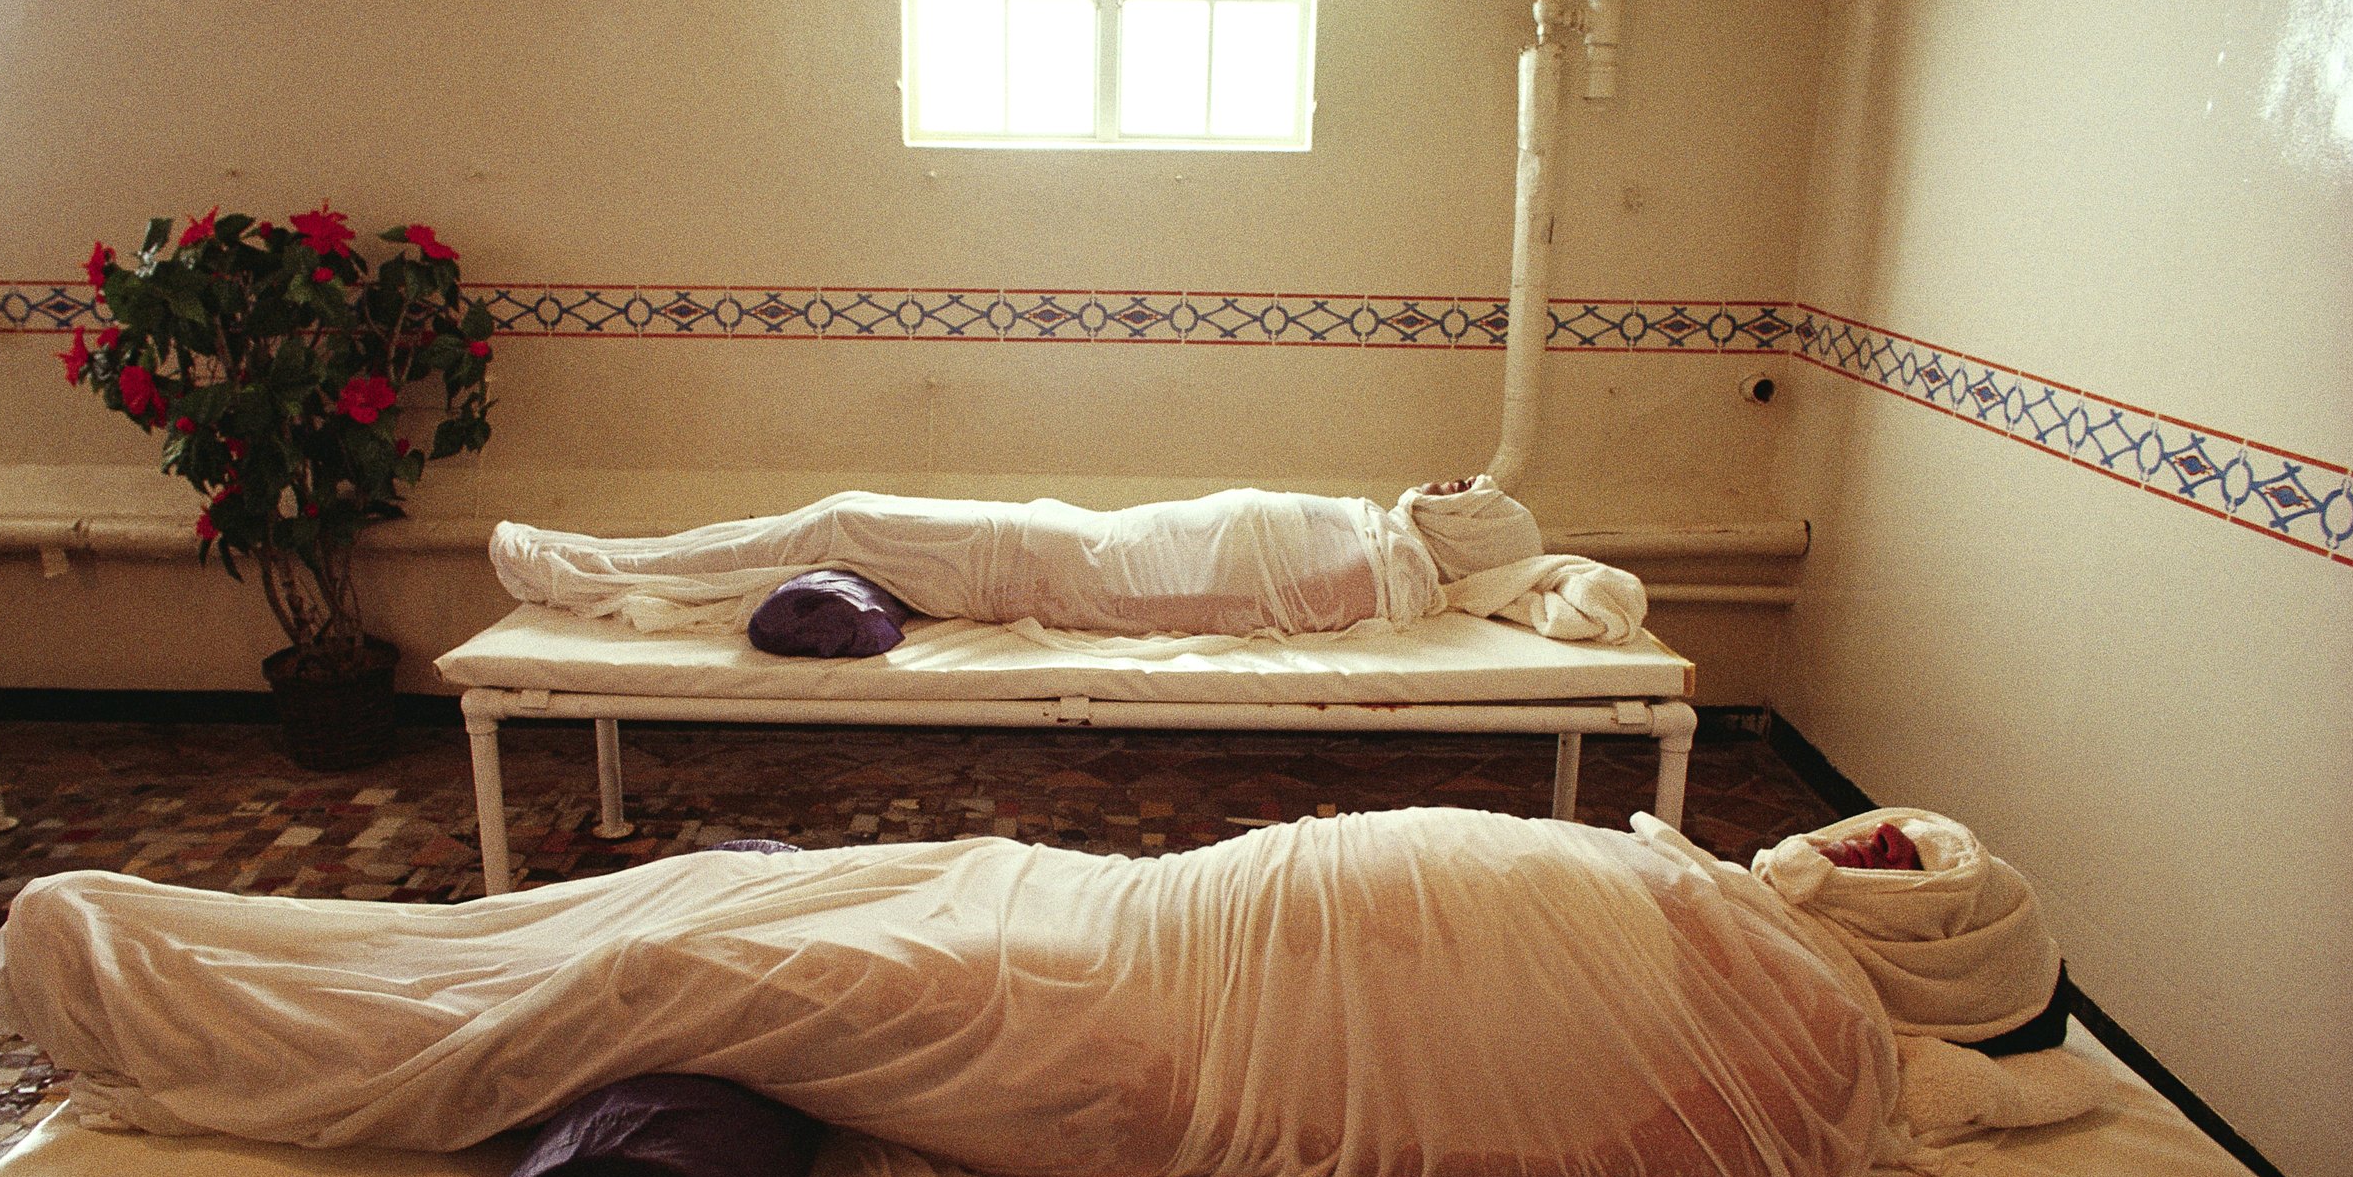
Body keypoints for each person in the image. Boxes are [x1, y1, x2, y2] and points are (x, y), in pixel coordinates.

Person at [0, 804, 2089, 1177]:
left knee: (660, 983)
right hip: (1090, 903)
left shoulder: (1801, 1060)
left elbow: (1546, 1159)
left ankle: (208, 1026)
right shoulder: (1713, 891)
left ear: (1937, 962)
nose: (1861, 827)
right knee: (686, 888)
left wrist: (1247, 1132)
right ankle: (167, 931)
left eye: (1906, 855)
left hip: (1121, 1041)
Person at [487, 474, 1649, 643]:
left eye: (1457, 493)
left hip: (1039, 559)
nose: (1438, 481)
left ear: (1463, 537)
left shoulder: (1375, 567)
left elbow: (1197, 595)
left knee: (834, 520)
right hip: (1055, 548)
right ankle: (604, 570)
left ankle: (578, 572)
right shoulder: (1380, 551)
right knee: (829, 531)